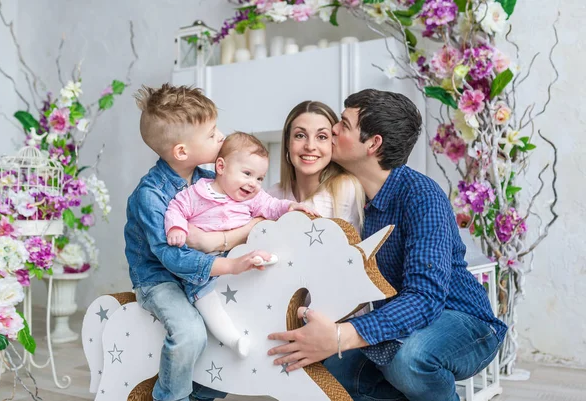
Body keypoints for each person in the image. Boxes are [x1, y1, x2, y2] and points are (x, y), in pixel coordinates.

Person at [267, 89, 507, 401]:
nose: (333, 130)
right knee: (333, 379)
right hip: (398, 324)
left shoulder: (421, 195)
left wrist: (340, 336)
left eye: (343, 124)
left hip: (462, 321)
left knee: (409, 360)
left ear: (373, 143)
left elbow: (425, 298)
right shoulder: (351, 198)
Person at [124, 84, 270, 401]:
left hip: (199, 274)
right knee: (190, 333)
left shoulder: (208, 179)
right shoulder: (151, 195)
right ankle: (170, 397)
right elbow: (172, 258)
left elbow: (245, 203)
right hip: (159, 278)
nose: (221, 138)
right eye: (212, 134)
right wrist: (230, 263)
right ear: (181, 151)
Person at [164, 132, 317, 358]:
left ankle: (263, 263)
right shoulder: (197, 193)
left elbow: (272, 206)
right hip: (206, 266)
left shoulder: (252, 199)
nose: (253, 184)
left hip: (238, 255)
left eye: (259, 178)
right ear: (221, 167)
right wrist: (176, 228)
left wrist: (289, 207)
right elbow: (176, 209)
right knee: (206, 299)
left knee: (260, 256)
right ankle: (234, 340)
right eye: (247, 174)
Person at [268, 100, 365, 234]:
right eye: (300, 135)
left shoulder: (345, 188)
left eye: (322, 136)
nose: (310, 146)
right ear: (287, 143)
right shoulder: (273, 195)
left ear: (333, 142)